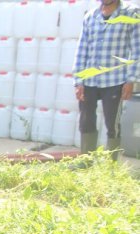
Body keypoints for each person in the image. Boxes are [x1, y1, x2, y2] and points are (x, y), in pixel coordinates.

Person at [73, 0, 139, 158]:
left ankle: (110, 166)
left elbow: (137, 50)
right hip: (90, 80)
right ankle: (86, 161)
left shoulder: (131, 14)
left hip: (115, 80)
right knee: (86, 121)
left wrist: (131, 80)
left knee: (113, 124)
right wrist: (78, 80)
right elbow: (82, 49)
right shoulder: (91, 16)